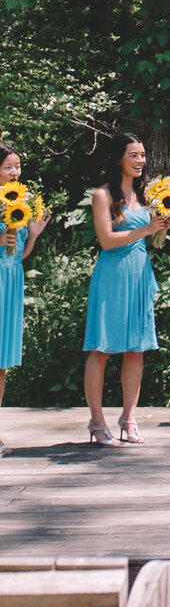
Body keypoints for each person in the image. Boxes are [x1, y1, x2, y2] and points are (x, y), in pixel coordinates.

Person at [83, 133, 169, 445]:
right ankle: (97, 421)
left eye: (143, 155)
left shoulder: (147, 195)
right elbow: (105, 240)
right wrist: (145, 229)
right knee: (102, 348)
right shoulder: (103, 195)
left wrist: (159, 231)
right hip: (112, 276)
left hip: (139, 273)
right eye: (133, 155)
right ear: (118, 157)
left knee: (136, 349)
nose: (140, 161)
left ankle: (129, 418)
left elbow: (153, 242)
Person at [0, 143, 49, 456]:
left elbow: (19, 255)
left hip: (11, 278)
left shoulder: (22, 201)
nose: (14, 172)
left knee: (0, 365)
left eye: (17, 166)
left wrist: (33, 235)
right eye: (7, 167)